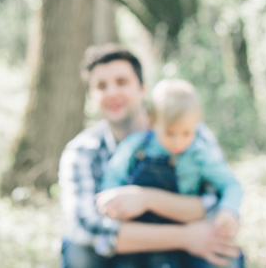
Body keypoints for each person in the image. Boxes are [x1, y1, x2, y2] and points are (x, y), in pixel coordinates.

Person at [58, 45, 241, 268]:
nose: (112, 92)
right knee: (76, 249)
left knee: (223, 253)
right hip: (126, 249)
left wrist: (146, 199)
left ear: (142, 88)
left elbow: (219, 200)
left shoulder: (192, 133)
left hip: (187, 248)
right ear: (92, 95)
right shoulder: (82, 151)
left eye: (121, 82)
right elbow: (85, 225)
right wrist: (185, 235)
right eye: (101, 86)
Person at [100, 79, 243, 268]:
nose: (178, 142)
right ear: (153, 122)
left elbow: (230, 184)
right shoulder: (137, 147)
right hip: (141, 232)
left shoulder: (199, 153)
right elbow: (113, 175)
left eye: (186, 133)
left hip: (186, 227)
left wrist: (228, 211)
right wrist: (113, 204)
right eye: (170, 133)